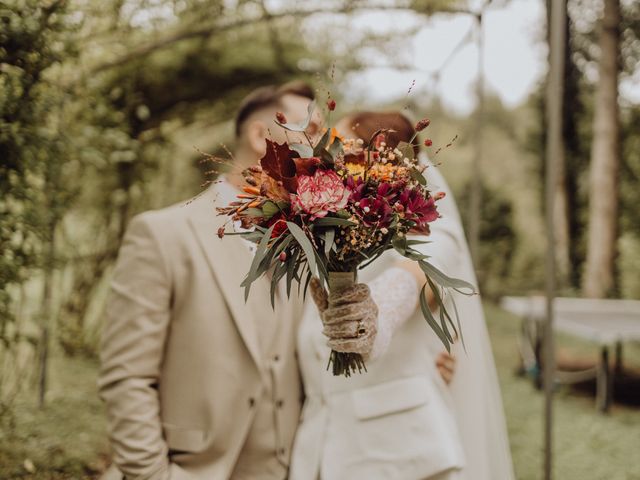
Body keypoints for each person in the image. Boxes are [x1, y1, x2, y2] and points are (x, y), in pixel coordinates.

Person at [98, 81, 321, 480]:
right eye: (313, 132)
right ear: (260, 136)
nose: (325, 150)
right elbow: (127, 377)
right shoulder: (162, 234)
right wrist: (154, 475)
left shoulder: (314, 245)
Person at [289, 111, 515, 480]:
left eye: (340, 147)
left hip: (400, 458)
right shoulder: (333, 238)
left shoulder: (436, 237)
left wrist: (369, 318)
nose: (329, 160)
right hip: (318, 449)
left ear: (377, 160)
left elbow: (415, 278)